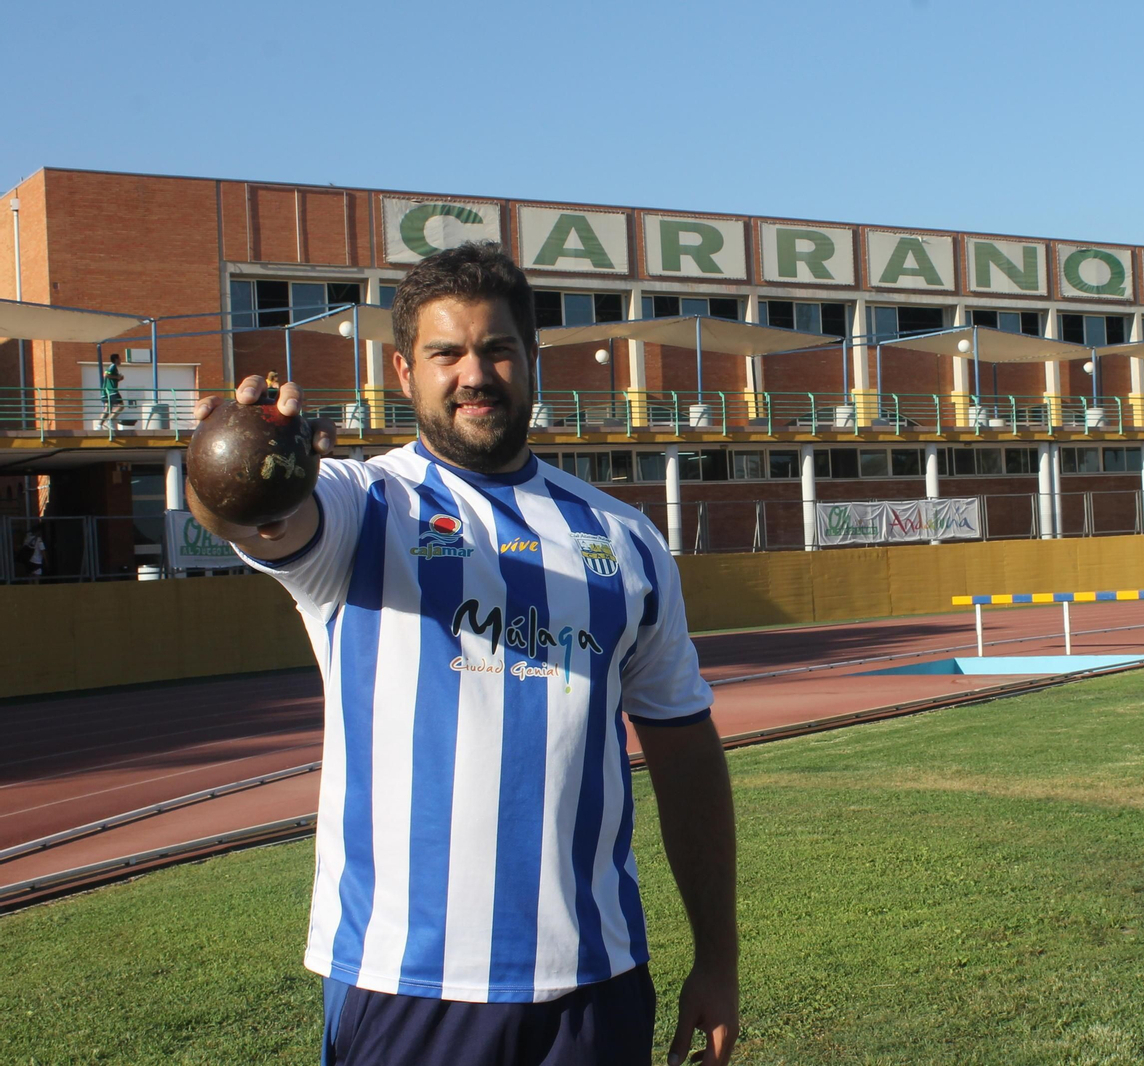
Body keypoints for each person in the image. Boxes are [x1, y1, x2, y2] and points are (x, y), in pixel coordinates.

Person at [186, 243, 738, 1066]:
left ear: (531, 360)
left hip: (595, 981)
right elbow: (256, 516)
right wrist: (228, 463)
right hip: (407, 985)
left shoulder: (624, 537)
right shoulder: (361, 507)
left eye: (496, 349)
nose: (473, 374)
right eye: (446, 353)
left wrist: (718, 958)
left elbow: (685, 751)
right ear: (405, 372)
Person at [96, 352, 126, 429]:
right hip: (111, 391)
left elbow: (110, 378)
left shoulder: (113, 368)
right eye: (119, 359)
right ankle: (110, 419)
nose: (120, 360)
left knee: (107, 407)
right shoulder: (113, 366)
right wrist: (117, 377)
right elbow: (105, 375)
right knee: (121, 405)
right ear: (116, 359)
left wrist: (118, 379)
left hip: (106, 391)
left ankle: (99, 425)